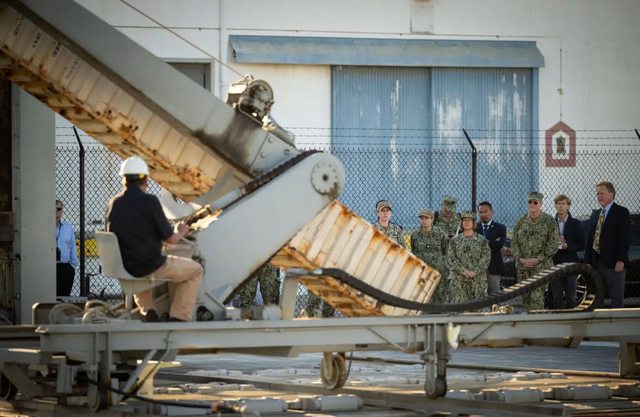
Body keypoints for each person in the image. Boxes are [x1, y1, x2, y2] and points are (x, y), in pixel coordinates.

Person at [106, 156, 203, 322]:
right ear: (145, 179)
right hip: (150, 266)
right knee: (195, 270)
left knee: (140, 268)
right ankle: (179, 317)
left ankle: (148, 311)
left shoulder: (114, 203)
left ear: (124, 179)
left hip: (126, 266)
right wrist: (180, 231)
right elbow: (170, 239)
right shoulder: (150, 201)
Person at [584, 181, 630, 308]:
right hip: (596, 264)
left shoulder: (621, 212)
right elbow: (590, 240)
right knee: (596, 300)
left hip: (614, 264)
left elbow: (625, 238)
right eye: (597, 194)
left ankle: (617, 321)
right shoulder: (595, 214)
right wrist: (587, 262)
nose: (599, 196)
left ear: (611, 194)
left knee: (616, 300)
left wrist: (621, 260)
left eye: (602, 193)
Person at [510, 192, 559, 310]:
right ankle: (528, 320)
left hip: (540, 267)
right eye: (530, 202)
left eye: (535, 202)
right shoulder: (520, 222)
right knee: (525, 299)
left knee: (537, 299)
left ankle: (537, 320)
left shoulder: (549, 221)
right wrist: (520, 259)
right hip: (523, 267)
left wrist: (538, 259)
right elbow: (514, 243)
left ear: (541, 204)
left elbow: (553, 243)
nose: (532, 204)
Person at [447, 211, 490, 304]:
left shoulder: (482, 240)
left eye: (469, 220)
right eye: (464, 220)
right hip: (459, 280)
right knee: (460, 307)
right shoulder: (455, 241)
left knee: (477, 307)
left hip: (477, 280)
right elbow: (451, 258)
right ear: (461, 223)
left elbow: (486, 258)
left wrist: (475, 271)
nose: (466, 222)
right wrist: (463, 271)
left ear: (473, 223)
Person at [550, 194, 585, 309]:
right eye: (559, 204)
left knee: (571, 298)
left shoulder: (576, 223)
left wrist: (568, 246)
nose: (561, 206)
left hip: (570, 264)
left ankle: (573, 319)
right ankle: (558, 319)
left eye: (563, 204)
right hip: (554, 264)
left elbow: (582, 244)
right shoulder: (550, 224)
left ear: (568, 206)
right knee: (556, 298)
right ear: (555, 206)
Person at [410, 209, 449, 303]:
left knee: (439, 295)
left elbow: (445, 250)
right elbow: (414, 251)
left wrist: (442, 264)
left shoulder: (440, 233)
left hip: (438, 270)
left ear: (432, 219)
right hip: (423, 271)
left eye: (426, 218)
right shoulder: (415, 235)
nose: (424, 220)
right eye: (422, 218)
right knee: (421, 295)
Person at [475, 201, 507, 296]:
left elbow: (499, 245)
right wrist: (492, 242)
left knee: (494, 293)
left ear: (492, 212)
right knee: (478, 293)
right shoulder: (474, 228)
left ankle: (494, 306)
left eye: (485, 212)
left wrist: (480, 242)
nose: (483, 214)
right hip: (477, 266)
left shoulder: (500, 228)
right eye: (480, 212)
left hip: (493, 265)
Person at [55, 199, 79, 297]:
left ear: (62, 211)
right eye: (53, 209)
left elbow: (73, 247)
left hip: (65, 267)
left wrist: (72, 267)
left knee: (64, 296)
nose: (56, 211)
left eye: (58, 209)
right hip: (49, 267)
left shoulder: (68, 228)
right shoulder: (44, 227)